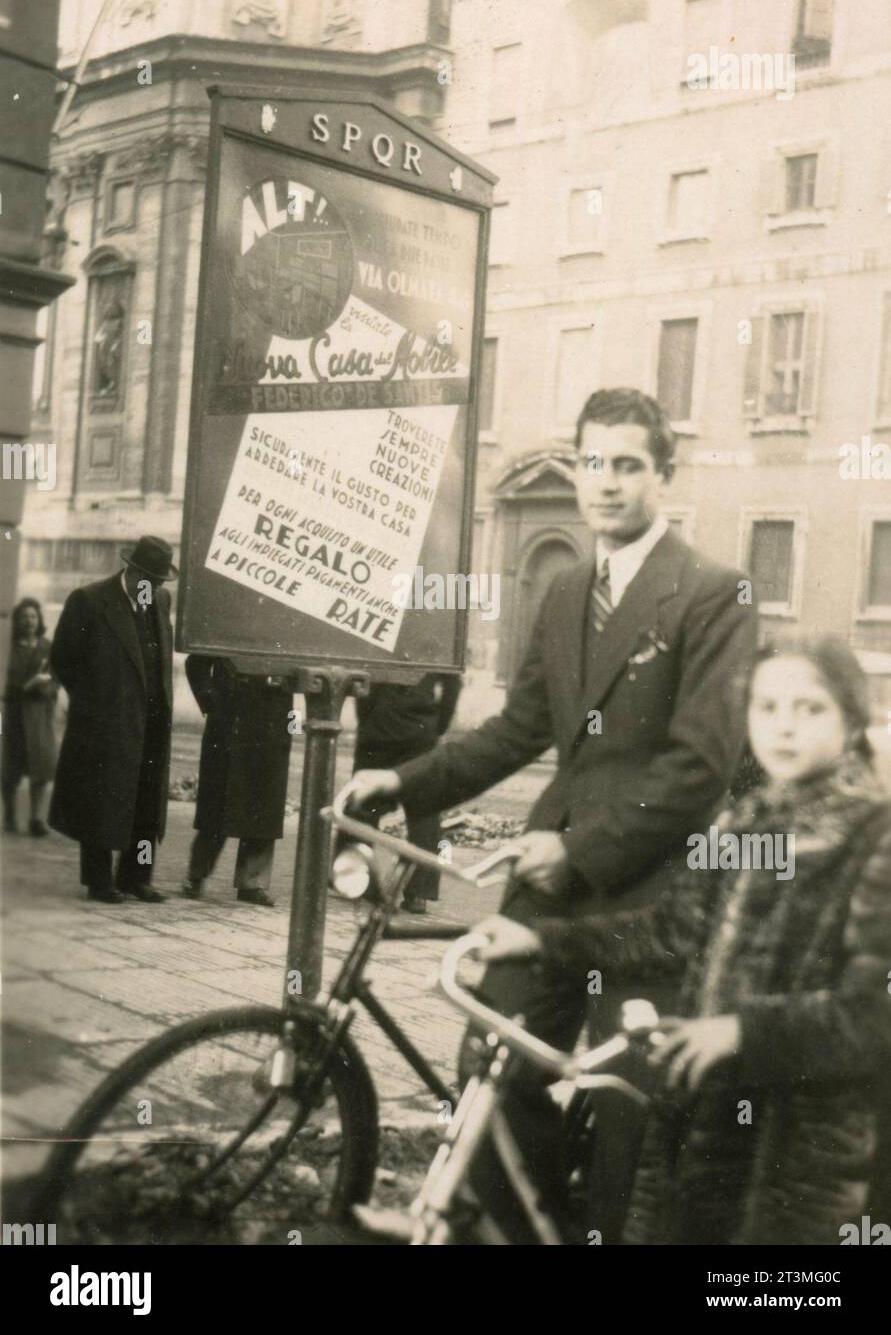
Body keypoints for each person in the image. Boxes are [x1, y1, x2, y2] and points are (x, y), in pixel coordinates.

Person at [340, 387, 758, 1241]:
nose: (605, 484)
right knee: (490, 1063)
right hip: (548, 885)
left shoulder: (712, 593)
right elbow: (517, 728)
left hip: (646, 894)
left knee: (626, 1110)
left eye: (628, 465)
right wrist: (401, 783)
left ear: (662, 476)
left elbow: (699, 767)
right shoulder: (568, 589)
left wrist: (577, 853)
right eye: (592, 463)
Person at [480, 636, 891, 1245]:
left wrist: (741, 1032)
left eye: (810, 709)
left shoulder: (874, 835)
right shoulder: (747, 822)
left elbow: (872, 1012)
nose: (784, 728)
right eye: (766, 707)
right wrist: (542, 941)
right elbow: (671, 932)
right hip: (708, 1127)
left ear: (853, 719)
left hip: (806, 1153)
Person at [49, 535, 176, 904]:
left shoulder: (160, 601)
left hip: (152, 721)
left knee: (147, 805)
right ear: (131, 570)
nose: (151, 588)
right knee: (103, 802)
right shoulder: (90, 600)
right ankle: (100, 881)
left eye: (158, 582)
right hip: (106, 722)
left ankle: (137, 877)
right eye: (147, 579)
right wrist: (94, 702)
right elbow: (63, 659)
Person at [337, 672, 462, 914]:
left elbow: (365, 678)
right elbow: (452, 684)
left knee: (363, 805)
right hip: (420, 730)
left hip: (379, 727)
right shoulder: (438, 635)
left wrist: (369, 719)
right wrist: (437, 724)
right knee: (424, 812)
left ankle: (352, 878)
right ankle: (419, 893)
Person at [182, 655, 293, 908]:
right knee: (218, 806)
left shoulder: (290, 624)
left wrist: (292, 730)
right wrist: (211, 701)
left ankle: (252, 883)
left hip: (273, 723)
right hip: (230, 720)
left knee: (264, 809)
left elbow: (299, 680)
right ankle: (196, 874)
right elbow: (196, 661)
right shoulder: (231, 620)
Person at [1, 597, 59, 836]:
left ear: (40, 620)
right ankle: (10, 814)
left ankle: (36, 818)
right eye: (24, 617)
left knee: (42, 766)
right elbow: (4, 684)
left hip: (39, 715)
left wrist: (45, 687)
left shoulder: (47, 647)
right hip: (13, 713)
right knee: (10, 767)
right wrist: (29, 684)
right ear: (17, 620)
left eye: (33, 617)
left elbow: (56, 678)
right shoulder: (7, 648)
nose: (29, 622)